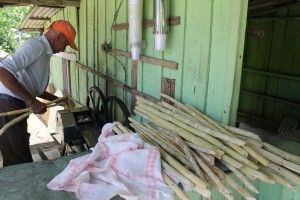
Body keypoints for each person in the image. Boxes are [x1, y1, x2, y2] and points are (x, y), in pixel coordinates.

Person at [0, 20, 78, 167]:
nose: (64, 48)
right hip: (8, 103)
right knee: (18, 158)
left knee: (18, 148)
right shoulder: (36, 46)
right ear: (58, 38)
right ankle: (21, 187)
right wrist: (31, 101)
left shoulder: (42, 51)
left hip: (12, 103)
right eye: (66, 44)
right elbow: (3, 71)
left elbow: (34, 87)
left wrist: (56, 99)